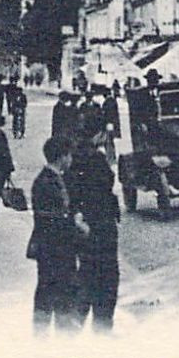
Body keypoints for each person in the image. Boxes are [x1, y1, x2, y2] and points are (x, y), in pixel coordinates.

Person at [66, 114, 120, 332]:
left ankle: (75, 324)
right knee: (105, 279)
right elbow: (104, 186)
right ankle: (101, 327)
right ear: (98, 134)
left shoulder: (75, 154)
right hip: (100, 224)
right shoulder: (94, 158)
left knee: (87, 274)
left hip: (85, 224)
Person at [29, 136, 85, 333]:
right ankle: (49, 334)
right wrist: (75, 223)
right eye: (69, 155)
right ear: (61, 157)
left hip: (56, 246)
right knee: (53, 290)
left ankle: (50, 331)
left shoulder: (52, 178)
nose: (71, 159)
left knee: (55, 289)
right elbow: (50, 217)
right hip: (54, 246)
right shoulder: (46, 181)